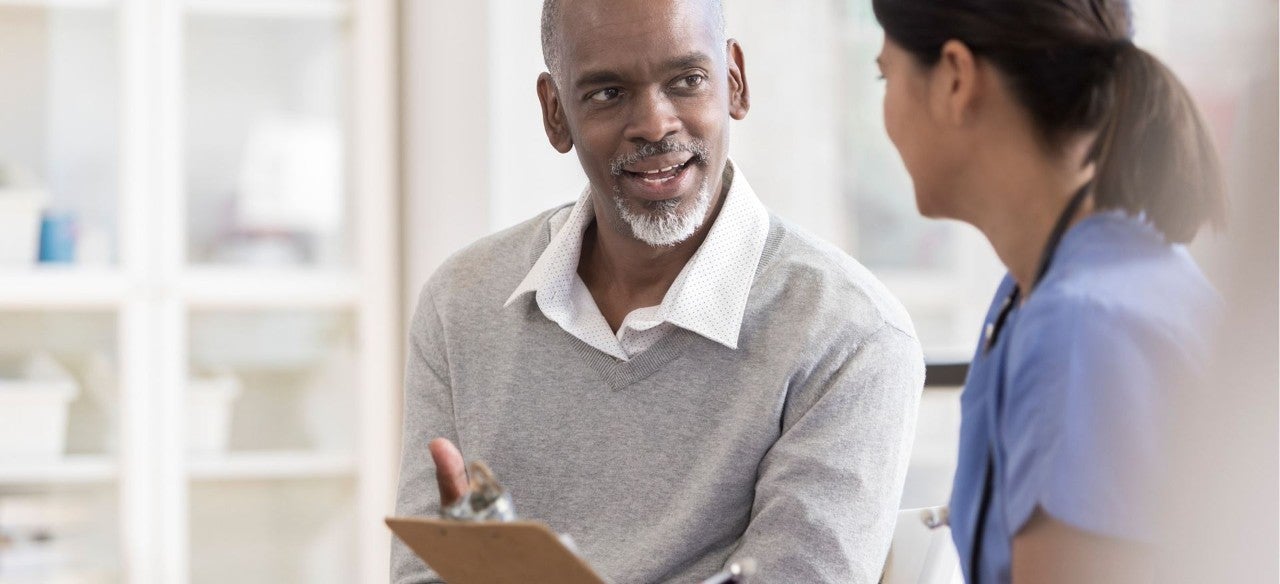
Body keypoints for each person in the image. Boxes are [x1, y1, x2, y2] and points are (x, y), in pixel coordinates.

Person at [392, 0, 925, 582]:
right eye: (607, 93)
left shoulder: (850, 335)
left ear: (734, 82)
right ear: (554, 114)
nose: (654, 123)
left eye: (686, 81)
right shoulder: (462, 302)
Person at [871, 0, 1226, 582]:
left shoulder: (1084, 331)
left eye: (886, 76)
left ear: (955, 79)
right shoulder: (1035, 291)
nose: (884, 110)